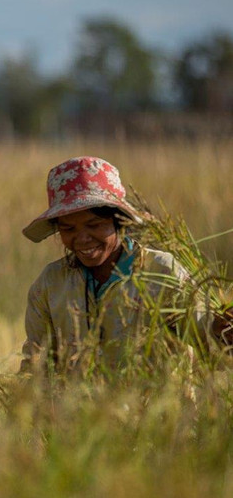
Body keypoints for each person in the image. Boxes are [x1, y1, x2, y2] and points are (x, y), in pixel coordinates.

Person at [20, 156, 229, 373]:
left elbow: (214, 352)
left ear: (119, 221)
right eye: (68, 229)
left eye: (94, 225)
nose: (82, 239)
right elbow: (36, 367)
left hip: (159, 406)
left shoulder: (162, 272)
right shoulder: (51, 283)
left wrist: (223, 333)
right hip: (80, 408)